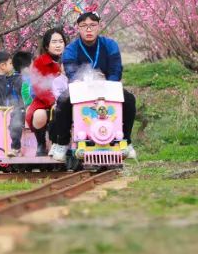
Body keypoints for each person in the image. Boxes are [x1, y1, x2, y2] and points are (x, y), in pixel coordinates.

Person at [50, 12, 137, 161]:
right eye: (84, 26)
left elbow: (116, 70)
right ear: (78, 28)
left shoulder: (109, 45)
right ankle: (62, 142)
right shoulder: (71, 48)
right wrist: (81, 82)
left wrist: (109, 85)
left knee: (129, 100)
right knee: (63, 101)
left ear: (98, 27)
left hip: (107, 87)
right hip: (82, 88)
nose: (88, 30)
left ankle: (126, 141)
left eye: (92, 26)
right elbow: (71, 71)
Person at [25, 28, 67, 157]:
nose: (58, 45)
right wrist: (54, 101)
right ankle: (41, 143)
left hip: (68, 99)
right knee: (39, 116)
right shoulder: (39, 62)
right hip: (44, 101)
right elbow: (38, 87)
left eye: (61, 41)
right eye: (54, 42)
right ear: (47, 45)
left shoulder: (70, 58)